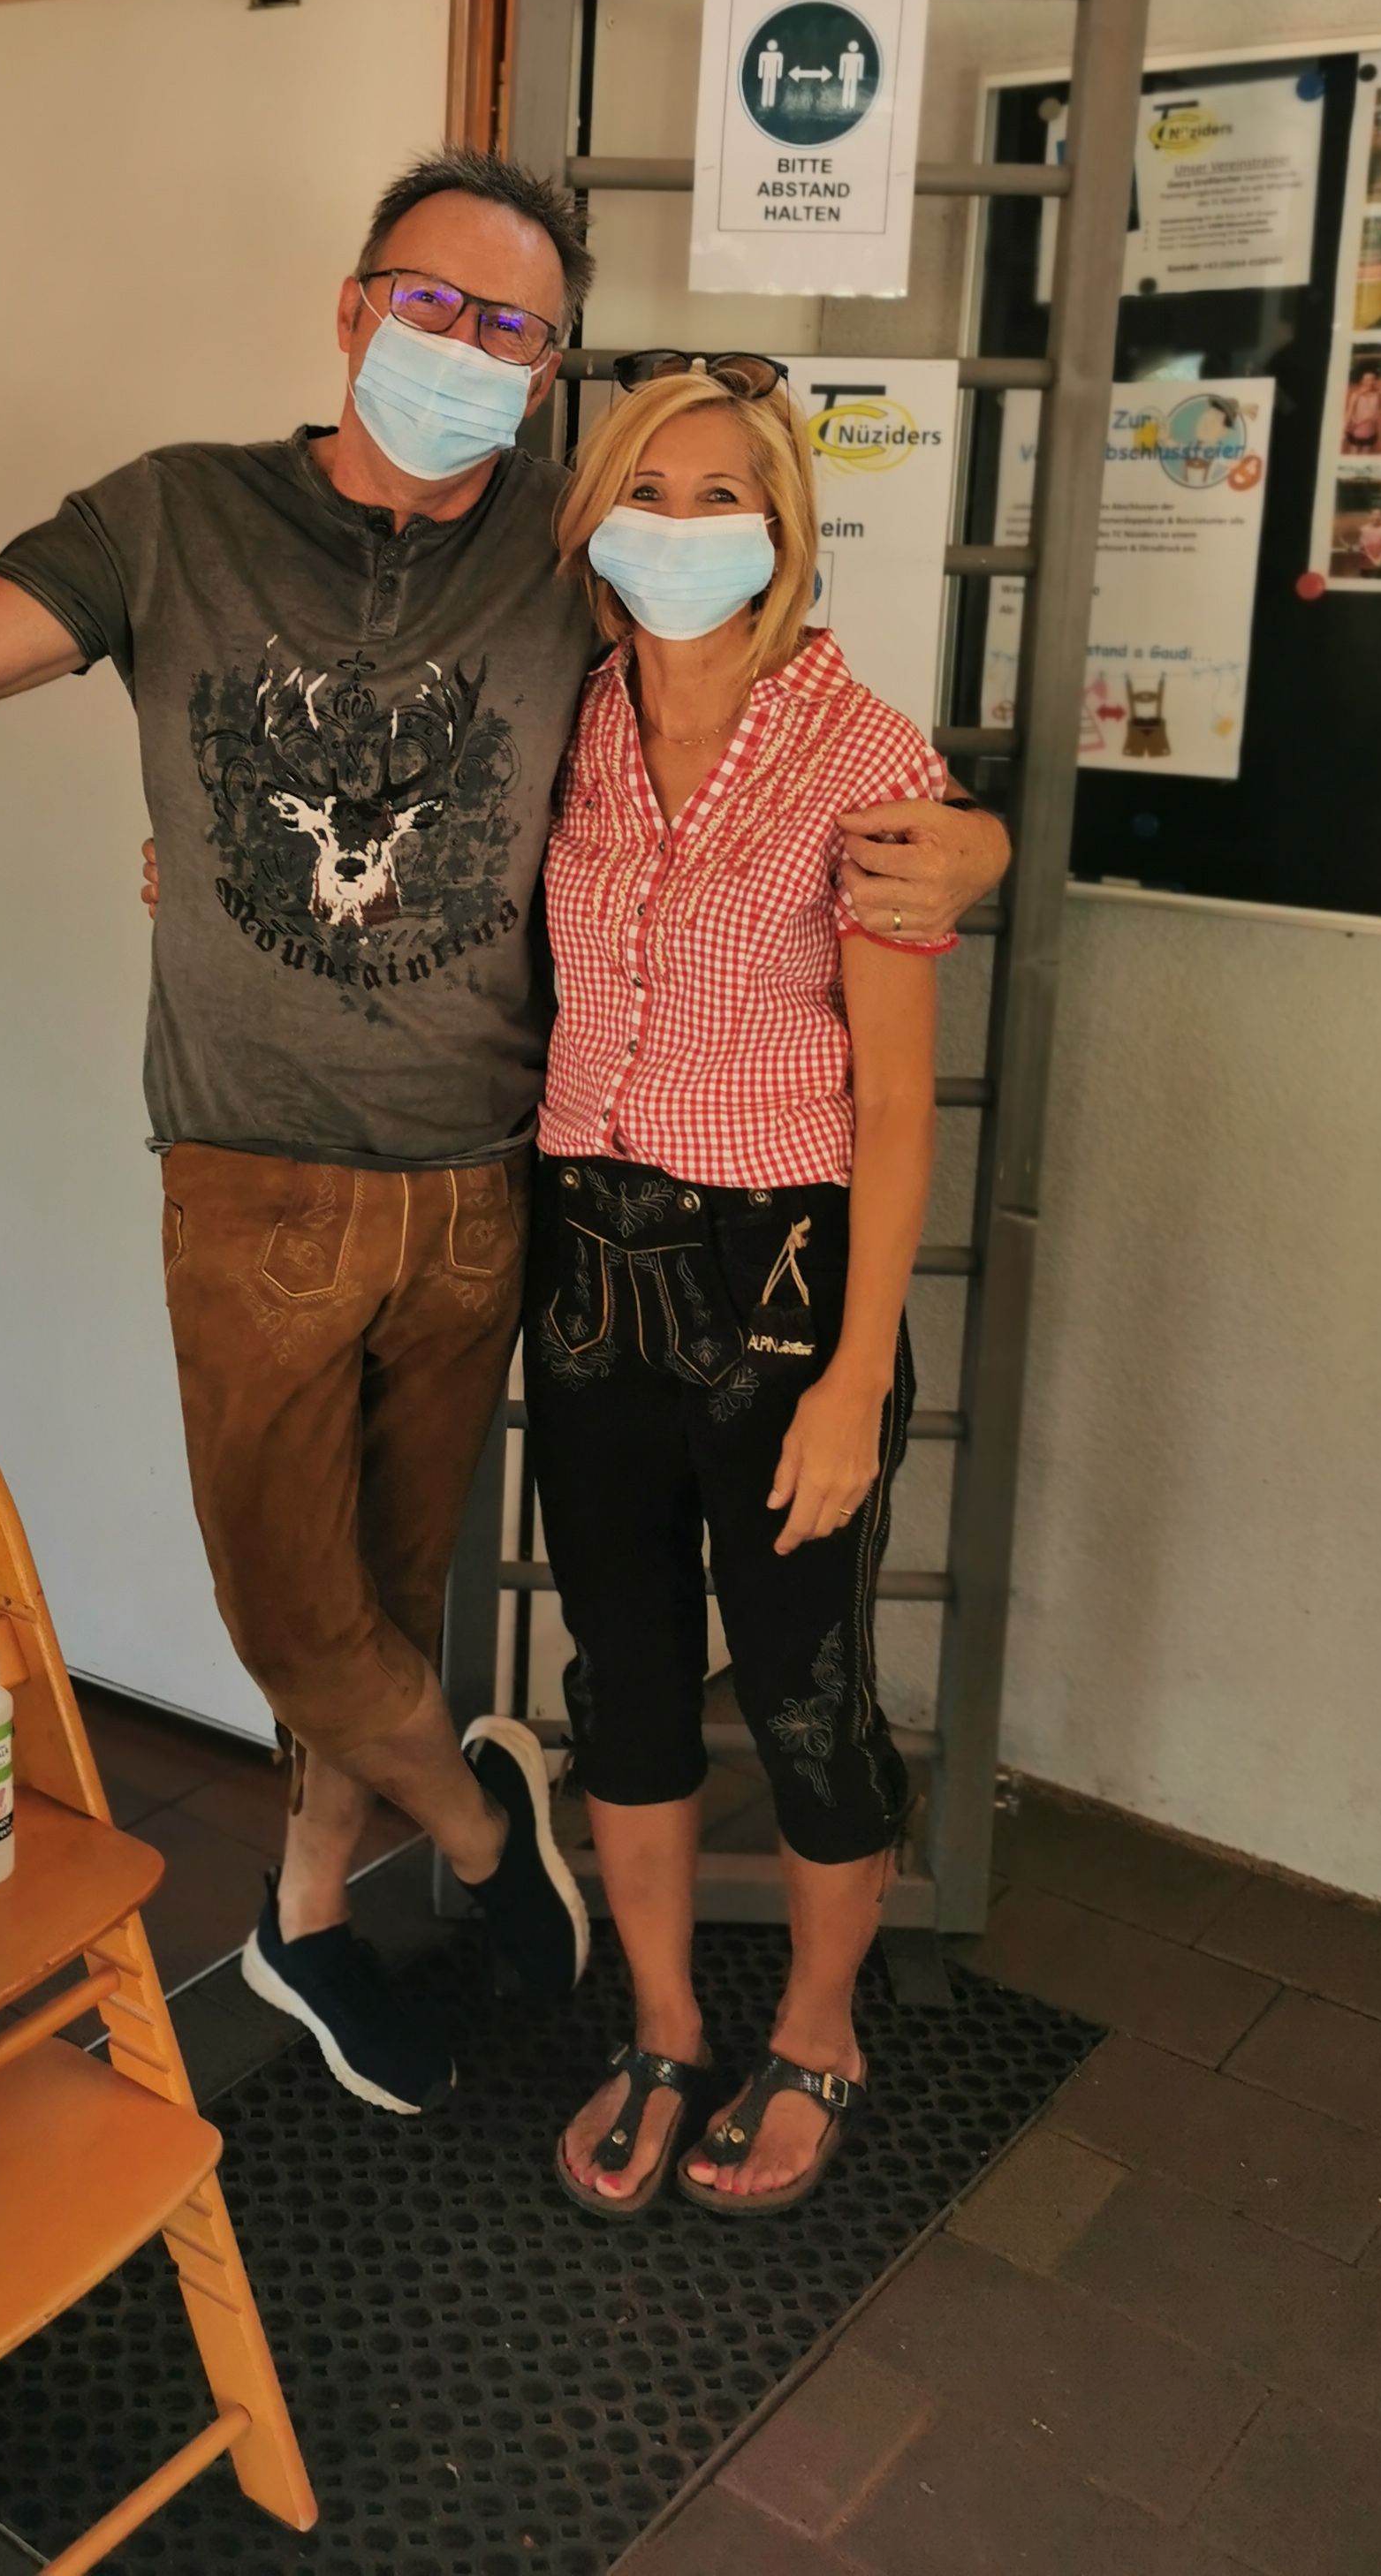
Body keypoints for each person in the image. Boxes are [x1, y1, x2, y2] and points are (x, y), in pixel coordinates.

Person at [0, 148, 1009, 2114]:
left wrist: (974, 841)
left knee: (411, 1599)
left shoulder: (569, 559)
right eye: (433, 303)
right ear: (352, 305)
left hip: (499, 1191)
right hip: (262, 1176)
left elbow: (798, 728)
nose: (467, 349)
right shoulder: (181, 514)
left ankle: (312, 1916)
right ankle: (485, 1834)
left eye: (515, 329)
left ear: (552, 368)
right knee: (293, 1612)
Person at [529, 367, 945, 2219]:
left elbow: (899, 1101)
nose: (682, 527)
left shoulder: (864, 754)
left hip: (782, 1275)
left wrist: (855, 1380)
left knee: (802, 1686)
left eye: (723, 497)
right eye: (649, 488)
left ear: (783, 531)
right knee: (620, 1670)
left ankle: (821, 2028)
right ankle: (666, 2023)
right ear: (594, 516)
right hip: (586, 1261)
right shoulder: (567, 718)